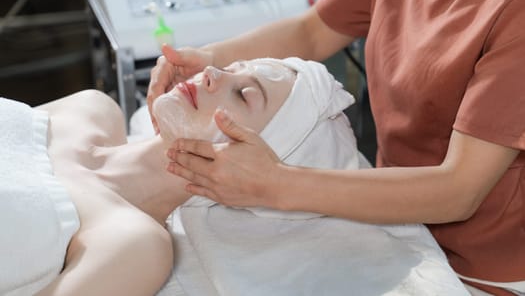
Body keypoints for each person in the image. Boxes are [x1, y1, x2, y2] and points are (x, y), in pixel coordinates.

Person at [148, 0, 525, 295]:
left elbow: (459, 191)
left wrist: (275, 183)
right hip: (389, 224)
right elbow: (312, 32)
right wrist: (210, 56)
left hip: (479, 273)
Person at [1, 58, 358, 295]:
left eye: (243, 95)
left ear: (252, 166)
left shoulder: (134, 245)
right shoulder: (92, 109)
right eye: (233, 67)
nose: (212, 73)